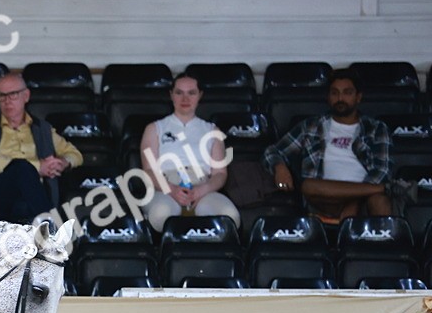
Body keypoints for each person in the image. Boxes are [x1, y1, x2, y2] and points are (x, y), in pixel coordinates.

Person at [263, 69, 396, 223]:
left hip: (366, 199)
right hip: (325, 198)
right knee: (308, 186)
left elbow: (382, 171)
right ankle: (374, 194)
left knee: (380, 202)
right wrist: (279, 166)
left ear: (358, 97)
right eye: (334, 93)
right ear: (328, 97)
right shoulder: (311, 126)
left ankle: (387, 245)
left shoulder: (376, 128)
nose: (340, 98)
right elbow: (272, 151)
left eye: (347, 92)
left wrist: (354, 201)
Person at [0, 72, 83, 223]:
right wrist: (37, 167)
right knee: (21, 167)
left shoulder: (43, 128)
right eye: (2, 96)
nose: (7, 101)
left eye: (13, 95)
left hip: (32, 196)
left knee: (25, 194)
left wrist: (63, 163)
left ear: (26, 96)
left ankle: (45, 225)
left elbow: (75, 154)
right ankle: (50, 226)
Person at [140, 74, 240, 231]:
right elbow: (149, 170)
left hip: (202, 187)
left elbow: (220, 174)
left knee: (228, 215)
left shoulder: (212, 130)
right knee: (161, 214)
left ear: (199, 95)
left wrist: (202, 190)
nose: (185, 99)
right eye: (179, 93)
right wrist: (173, 190)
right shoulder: (154, 128)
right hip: (165, 187)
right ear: (171, 95)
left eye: (191, 93)